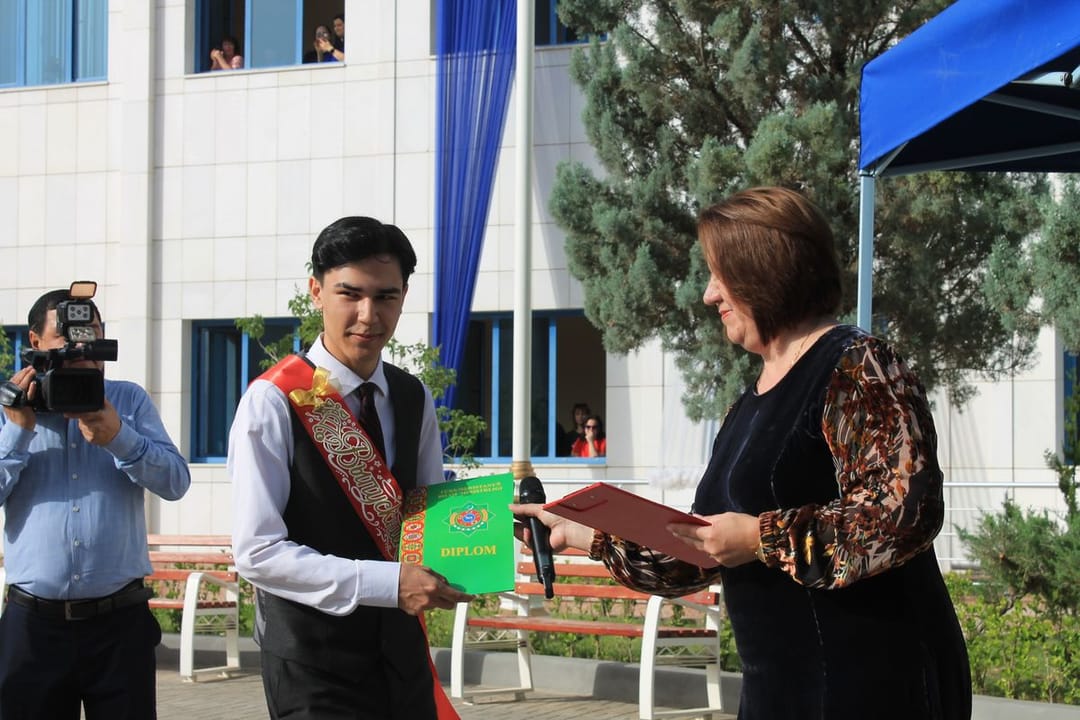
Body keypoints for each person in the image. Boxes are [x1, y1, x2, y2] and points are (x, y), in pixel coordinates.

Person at [512, 186, 972, 720]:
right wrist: (582, 533)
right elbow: (704, 548)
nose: (709, 295)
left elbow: (902, 514)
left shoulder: (856, 365)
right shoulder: (746, 406)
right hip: (781, 692)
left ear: (765, 270)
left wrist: (759, 537)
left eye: (718, 274)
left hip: (873, 686)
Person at [228, 217, 471, 719]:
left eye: (386, 297)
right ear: (316, 291)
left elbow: (424, 510)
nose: (368, 315)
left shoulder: (412, 396)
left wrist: (485, 526)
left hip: (401, 654)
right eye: (350, 294)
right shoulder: (272, 401)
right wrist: (387, 583)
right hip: (314, 665)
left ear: (404, 296)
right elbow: (256, 552)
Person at [0, 288, 191, 719]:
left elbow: (176, 482)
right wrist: (17, 431)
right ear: (35, 342)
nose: (81, 355)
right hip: (33, 626)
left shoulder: (128, 400)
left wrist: (119, 438)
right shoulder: (8, 407)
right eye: (65, 344)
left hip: (118, 624)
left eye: (90, 342)